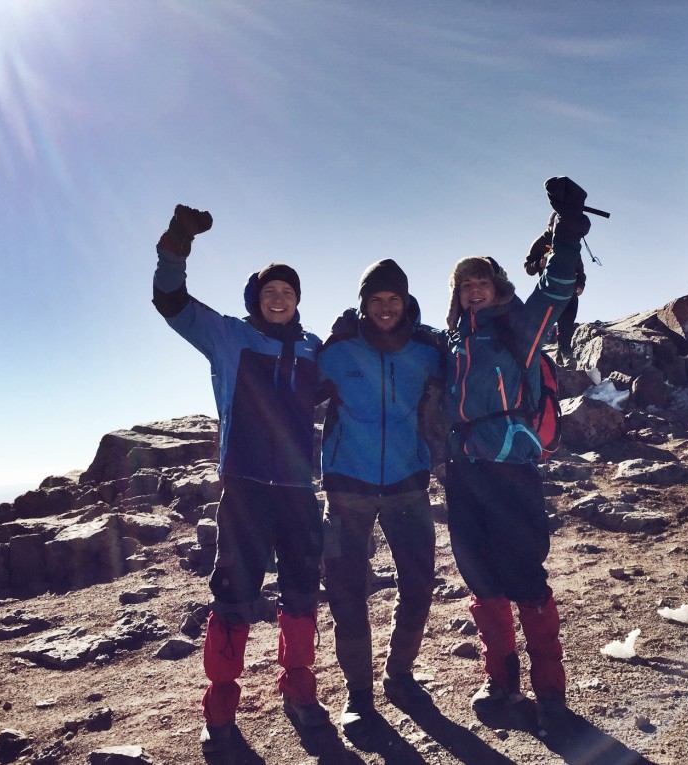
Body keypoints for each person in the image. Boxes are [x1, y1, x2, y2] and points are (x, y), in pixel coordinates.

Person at [152, 205, 328, 755]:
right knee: (233, 595)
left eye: (288, 292)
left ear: (297, 300)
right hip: (246, 488)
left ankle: (299, 688)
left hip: (299, 490)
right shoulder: (228, 335)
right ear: (255, 298)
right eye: (270, 291)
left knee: (301, 590)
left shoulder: (313, 348)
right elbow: (171, 302)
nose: (279, 298)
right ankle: (221, 708)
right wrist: (175, 247)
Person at [443, 177, 590, 737]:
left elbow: (557, 288)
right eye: (465, 285)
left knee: (526, 577)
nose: (473, 291)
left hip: (511, 472)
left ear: (498, 287)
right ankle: (501, 682)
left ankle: (550, 691)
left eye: (481, 282)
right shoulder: (450, 344)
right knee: (481, 579)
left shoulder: (519, 329)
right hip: (464, 473)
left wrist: (567, 232)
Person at [316, 259, 444, 736]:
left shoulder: (427, 350)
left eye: (393, 299)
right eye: (376, 300)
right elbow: (294, 395)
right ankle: (358, 695)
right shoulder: (338, 351)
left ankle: (399, 675)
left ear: (405, 302)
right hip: (348, 489)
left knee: (419, 584)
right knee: (346, 591)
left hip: (408, 484)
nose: (385, 307)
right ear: (363, 305)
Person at [524, 224, 586, 367]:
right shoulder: (540, 242)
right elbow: (528, 267)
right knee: (541, 325)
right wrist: (538, 264)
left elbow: (580, 270)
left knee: (567, 325)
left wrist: (580, 284)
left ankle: (565, 355)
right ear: (551, 225)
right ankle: (533, 359)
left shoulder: (570, 243)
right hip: (549, 292)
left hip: (569, 291)